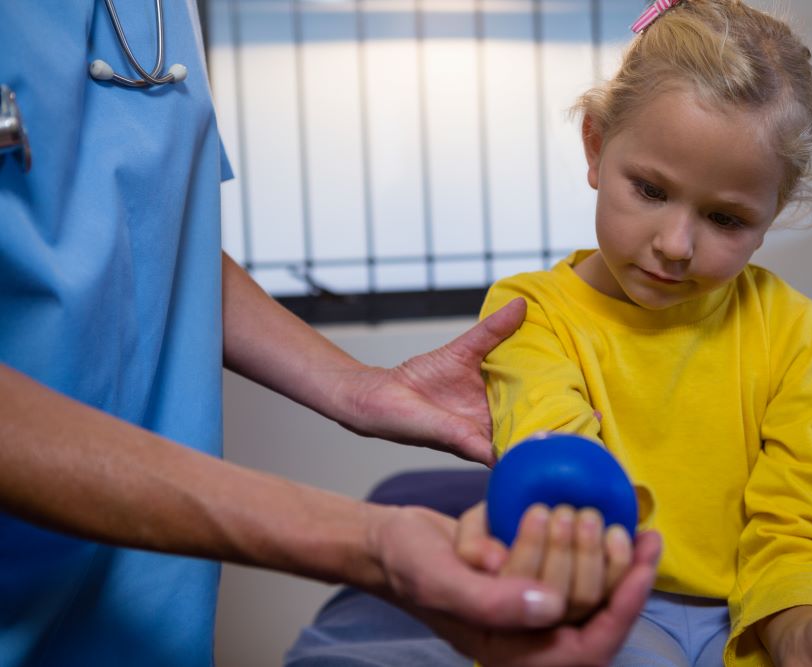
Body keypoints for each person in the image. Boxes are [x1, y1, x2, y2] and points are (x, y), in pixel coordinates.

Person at [0, 2, 660, 666]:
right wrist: (370, 542)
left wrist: (357, 388)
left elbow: (155, 236)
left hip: (143, 604)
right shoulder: (538, 306)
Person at [461, 1, 812, 665]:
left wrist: (797, 626)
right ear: (595, 145)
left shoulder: (795, 332)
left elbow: (800, 517)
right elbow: (562, 476)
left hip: (754, 615)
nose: (676, 245)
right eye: (650, 190)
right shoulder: (528, 313)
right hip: (593, 594)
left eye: (725, 219)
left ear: (773, 212)